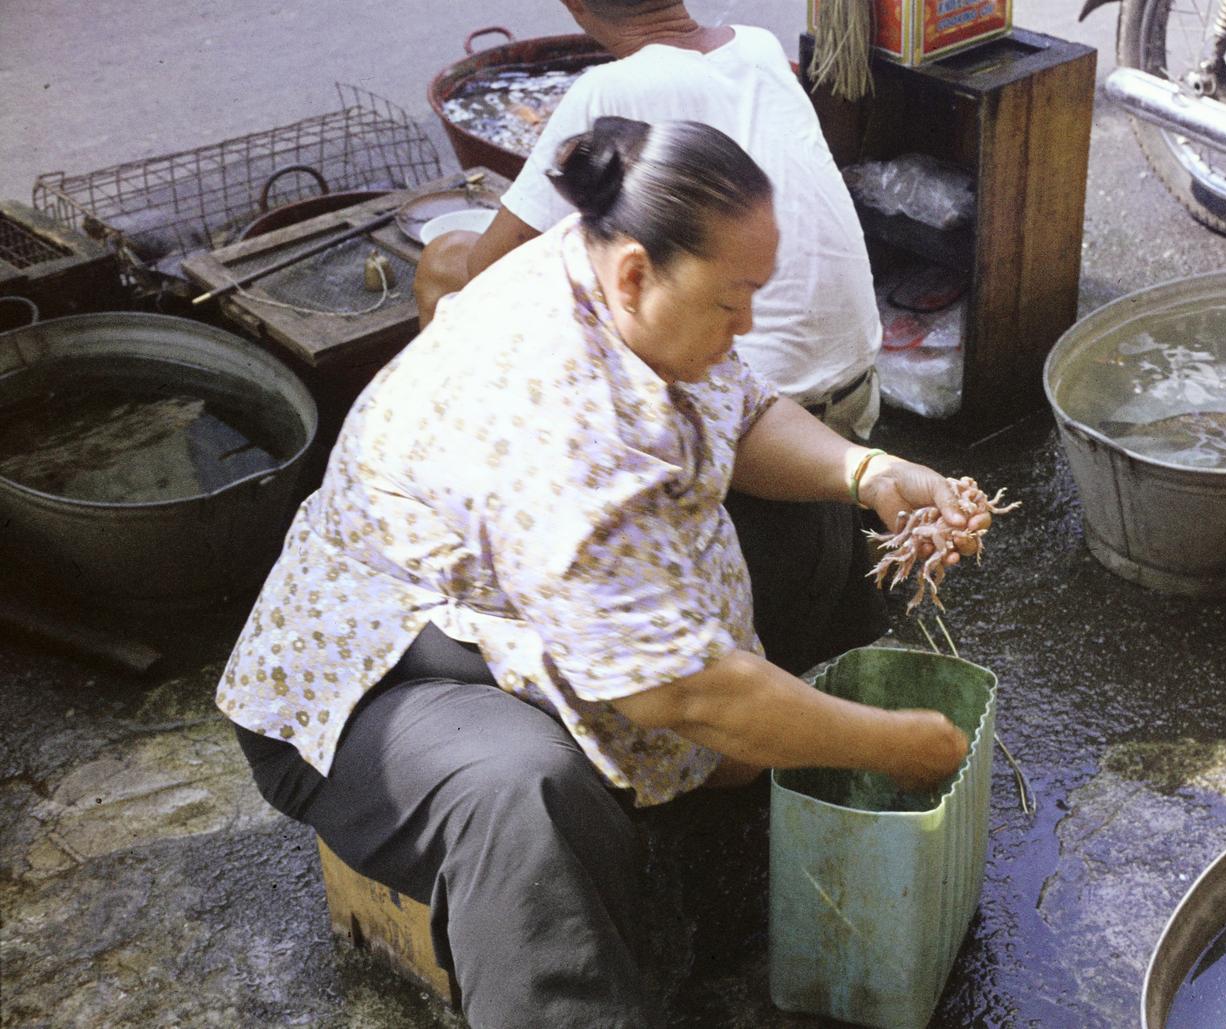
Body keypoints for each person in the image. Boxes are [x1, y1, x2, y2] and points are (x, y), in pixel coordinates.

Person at [219, 118, 983, 1028]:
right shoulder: (560, 418)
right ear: (633, 275)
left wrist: (871, 474)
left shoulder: (624, 273)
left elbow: (739, 413)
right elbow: (684, 692)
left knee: (816, 519)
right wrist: (891, 744)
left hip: (513, 593)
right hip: (375, 662)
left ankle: (708, 810)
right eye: (734, 300)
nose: (747, 324)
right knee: (524, 795)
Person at [415, 0, 880, 442]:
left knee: (446, 260)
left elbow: (488, 268)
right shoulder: (759, 48)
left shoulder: (607, 89)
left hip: (761, 422)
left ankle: (454, 464)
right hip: (858, 390)